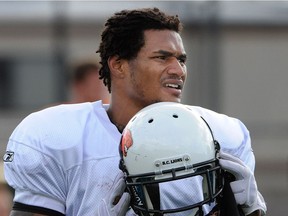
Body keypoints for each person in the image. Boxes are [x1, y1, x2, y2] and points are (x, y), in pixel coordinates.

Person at [3, 7, 266, 216]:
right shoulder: (57, 135)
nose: (178, 69)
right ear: (118, 65)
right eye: (162, 57)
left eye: (181, 59)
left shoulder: (219, 134)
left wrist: (247, 211)